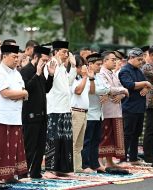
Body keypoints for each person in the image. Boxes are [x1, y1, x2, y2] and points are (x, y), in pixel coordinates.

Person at [0, 44, 28, 182]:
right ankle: (2, 176)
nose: (17, 60)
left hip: (15, 116)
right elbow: (6, 93)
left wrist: (21, 93)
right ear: (4, 56)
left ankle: (12, 174)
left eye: (17, 57)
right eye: (14, 56)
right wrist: (22, 93)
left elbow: (23, 91)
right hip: (1, 116)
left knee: (14, 147)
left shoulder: (16, 73)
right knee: (2, 148)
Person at [20, 45, 55, 178]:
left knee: (40, 147)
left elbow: (46, 89)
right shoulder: (26, 70)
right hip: (30, 115)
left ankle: (35, 172)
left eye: (47, 61)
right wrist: (37, 74)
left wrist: (50, 75)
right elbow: (26, 89)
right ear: (36, 57)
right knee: (29, 146)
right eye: (44, 60)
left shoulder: (40, 71)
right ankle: (23, 173)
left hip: (41, 115)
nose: (45, 63)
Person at [44, 40, 77, 178]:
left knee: (65, 140)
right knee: (53, 140)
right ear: (56, 52)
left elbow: (68, 83)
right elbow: (48, 84)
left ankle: (62, 169)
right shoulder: (51, 65)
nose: (66, 55)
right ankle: (49, 170)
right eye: (64, 52)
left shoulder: (63, 67)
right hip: (54, 108)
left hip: (65, 108)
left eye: (67, 52)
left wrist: (74, 66)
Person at [119, 48, 153, 165]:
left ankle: (133, 158)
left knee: (136, 134)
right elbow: (129, 85)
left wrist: (145, 86)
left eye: (141, 60)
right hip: (129, 107)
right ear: (131, 58)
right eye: (139, 59)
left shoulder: (139, 71)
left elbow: (148, 84)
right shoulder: (125, 70)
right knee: (127, 134)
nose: (141, 62)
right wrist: (144, 84)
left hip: (139, 107)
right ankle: (123, 159)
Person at [98, 51, 129, 168]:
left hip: (115, 110)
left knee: (111, 138)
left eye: (116, 60)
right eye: (113, 59)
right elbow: (108, 89)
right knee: (104, 137)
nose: (115, 62)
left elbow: (122, 88)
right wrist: (123, 91)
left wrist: (122, 94)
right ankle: (100, 162)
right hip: (106, 111)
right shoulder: (101, 73)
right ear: (105, 61)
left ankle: (110, 162)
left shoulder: (113, 74)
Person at [81, 53, 110, 173]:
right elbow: (92, 91)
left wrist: (105, 93)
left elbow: (108, 87)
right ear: (90, 64)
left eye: (100, 64)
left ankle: (95, 164)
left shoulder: (100, 76)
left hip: (98, 113)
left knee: (96, 140)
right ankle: (85, 165)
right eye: (98, 64)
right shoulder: (86, 76)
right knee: (87, 141)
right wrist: (103, 91)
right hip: (89, 113)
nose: (99, 67)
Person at [71, 55, 95, 172]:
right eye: (79, 66)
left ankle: (78, 167)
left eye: (82, 66)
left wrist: (90, 78)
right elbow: (78, 91)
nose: (82, 69)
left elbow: (92, 91)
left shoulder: (82, 78)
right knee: (74, 141)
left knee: (79, 143)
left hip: (84, 112)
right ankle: (72, 167)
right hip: (75, 112)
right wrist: (85, 77)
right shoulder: (73, 79)